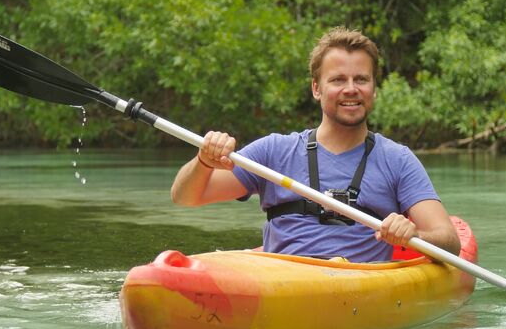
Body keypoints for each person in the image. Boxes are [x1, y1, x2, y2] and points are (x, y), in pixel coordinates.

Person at [170, 27, 460, 262]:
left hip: (360, 287)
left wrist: (413, 236)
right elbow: (185, 197)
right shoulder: (273, 151)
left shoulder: (398, 160)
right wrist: (204, 161)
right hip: (281, 283)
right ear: (316, 88)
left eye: (361, 79)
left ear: (373, 89)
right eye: (337, 80)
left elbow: (449, 242)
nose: (351, 89)